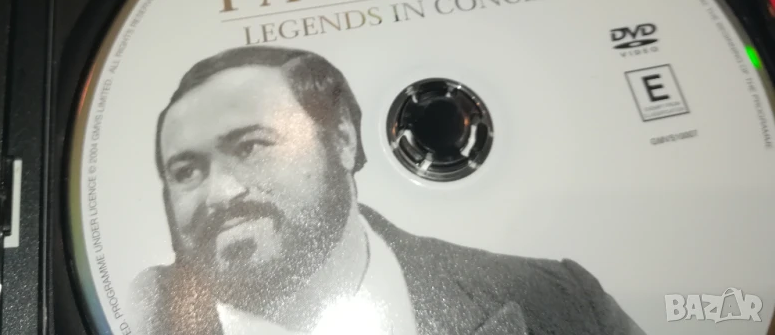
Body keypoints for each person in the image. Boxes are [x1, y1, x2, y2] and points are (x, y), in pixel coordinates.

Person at [129, 45, 645, 335]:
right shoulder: (136, 318)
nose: (219, 192)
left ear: (341, 140)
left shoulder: (558, 298)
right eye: (186, 171)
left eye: (251, 146)